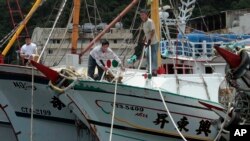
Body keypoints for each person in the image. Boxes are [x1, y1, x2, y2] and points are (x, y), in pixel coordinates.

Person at [140, 9, 159, 76]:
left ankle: (154, 71)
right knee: (147, 55)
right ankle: (149, 69)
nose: (142, 16)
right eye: (141, 15)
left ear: (146, 15)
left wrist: (150, 39)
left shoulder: (150, 21)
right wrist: (144, 39)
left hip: (154, 42)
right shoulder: (144, 23)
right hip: (149, 42)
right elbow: (146, 33)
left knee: (154, 56)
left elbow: (152, 31)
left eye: (143, 15)